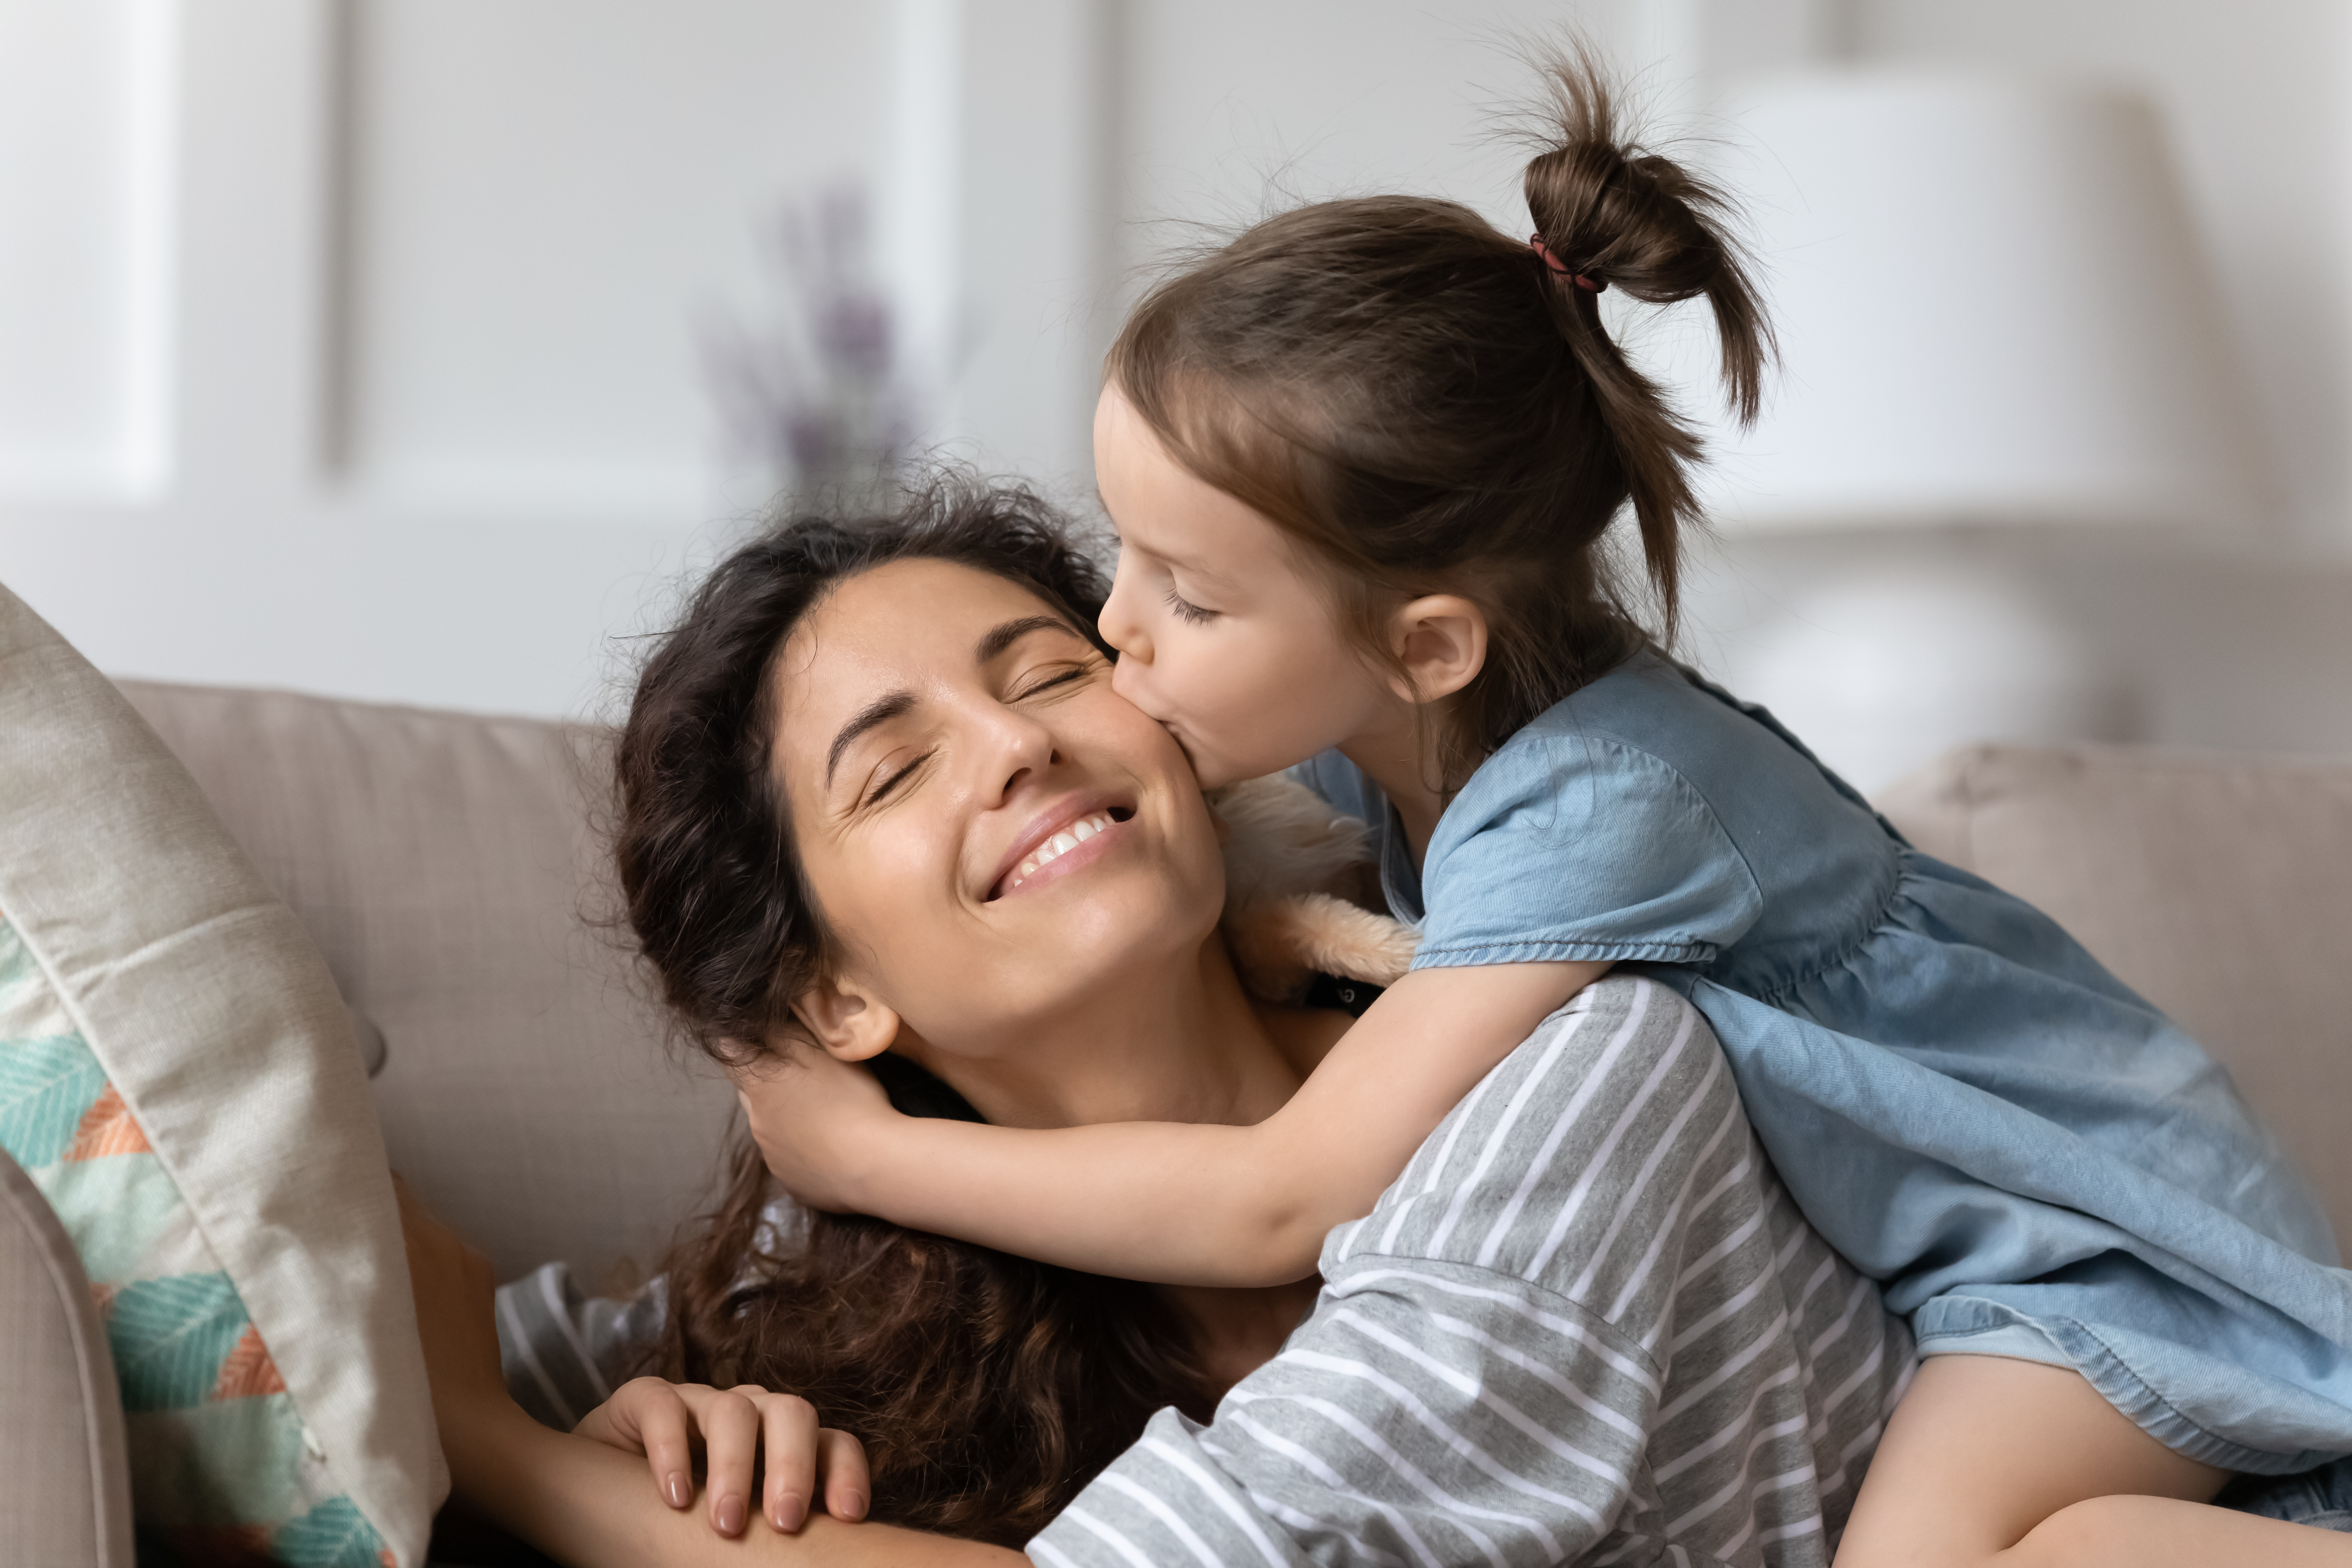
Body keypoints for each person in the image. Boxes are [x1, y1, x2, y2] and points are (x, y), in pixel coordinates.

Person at [736, 48, 2352, 1568]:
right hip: (2008, 1253)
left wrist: (873, 1159)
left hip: (2091, 1251)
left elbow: (1285, 1195)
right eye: (1124, 553)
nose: (1117, 635)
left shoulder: (1605, 806)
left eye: (1193, 598)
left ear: (1423, 644)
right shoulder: (1392, 724)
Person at [402, 479, 1920, 1566]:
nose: (1016, 743)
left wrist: (522, 1465)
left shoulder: (1573, 1068)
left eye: (1054, 670)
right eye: (893, 770)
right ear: (835, 999)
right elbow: (328, 1257)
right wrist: (647, 1429)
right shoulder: (853, 1299)